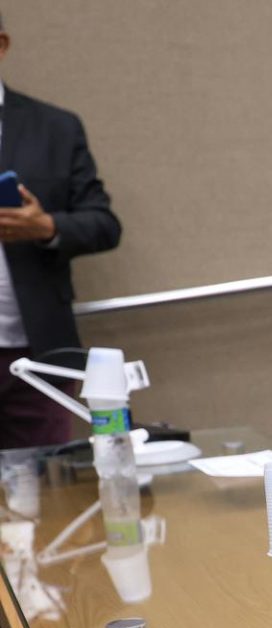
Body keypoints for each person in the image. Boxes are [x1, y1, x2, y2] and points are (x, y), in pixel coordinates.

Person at [0, 13, 121, 450]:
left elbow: (104, 224)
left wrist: (46, 225)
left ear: (2, 45)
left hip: (39, 354)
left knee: (46, 495)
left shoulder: (54, 127)